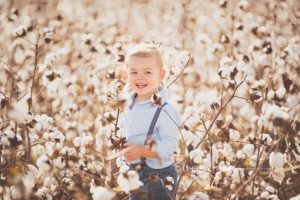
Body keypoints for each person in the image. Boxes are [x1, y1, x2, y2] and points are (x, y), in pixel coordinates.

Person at [122, 44, 181, 200]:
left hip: (158, 177)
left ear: (161, 75)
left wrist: (141, 151)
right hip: (134, 172)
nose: (140, 77)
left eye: (148, 72)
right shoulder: (129, 104)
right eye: (133, 72)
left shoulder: (165, 109)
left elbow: (169, 147)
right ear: (126, 74)